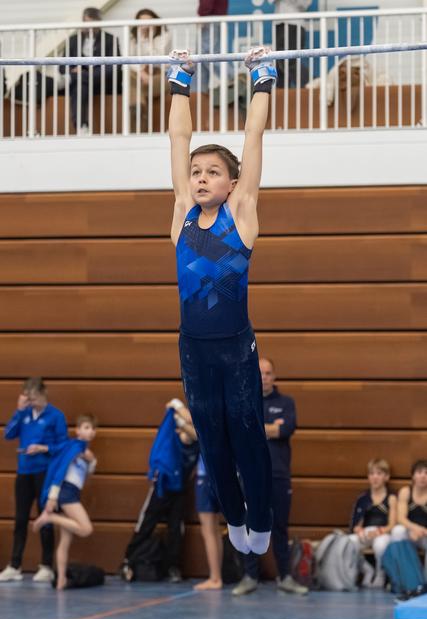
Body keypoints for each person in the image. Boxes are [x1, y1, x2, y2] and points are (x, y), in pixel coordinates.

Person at [168, 46, 277, 556]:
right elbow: (178, 137)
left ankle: (262, 517)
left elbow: (253, 137)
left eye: (212, 172)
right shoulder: (182, 218)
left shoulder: (243, 214)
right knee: (212, 438)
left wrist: (261, 76)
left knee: (248, 435)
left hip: (235, 348)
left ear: (232, 184)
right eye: (196, 173)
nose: (201, 178)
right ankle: (235, 517)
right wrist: (180, 79)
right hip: (194, 348)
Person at [233, 357, 307, 595]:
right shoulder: (244, 402)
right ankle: (250, 576)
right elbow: (240, 432)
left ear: (274, 376)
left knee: (280, 527)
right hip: (250, 475)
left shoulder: (286, 402)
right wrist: (270, 428)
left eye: (268, 373)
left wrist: (257, 429)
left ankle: (285, 576)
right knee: (249, 525)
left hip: (278, 475)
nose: (264, 377)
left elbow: (286, 429)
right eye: (260, 373)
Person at [120, 399, 199, 583]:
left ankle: (173, 566)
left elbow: (196, 434)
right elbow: (173, 404)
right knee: (146, 523)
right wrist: (180, 417)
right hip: (162, 486)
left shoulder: (198, 444)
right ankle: (128, 560)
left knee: (176, 529)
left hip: (179, 489)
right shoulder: (171, 434)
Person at [0, 378, 68, 583]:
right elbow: (8, 434)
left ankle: (46, 565)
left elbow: (63, 446)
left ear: (43, 394)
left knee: (45, 517)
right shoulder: (25, 414)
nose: (32, 402)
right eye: (28, 399)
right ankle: (15, 565)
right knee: (20, 519)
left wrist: (43, 448)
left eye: (35, 398)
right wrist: (19, 411)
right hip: (24, 472)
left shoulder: (56, 416)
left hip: (44, 472)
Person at [32, 414, 97, 590]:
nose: (90, 431)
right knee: (85, 529)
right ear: (77, 430)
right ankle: (50, 518)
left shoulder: (79, 449)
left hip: (72, 493)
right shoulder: (74, 447)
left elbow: (55, 448)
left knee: (65, 540)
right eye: (86, 427)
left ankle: (61, 579)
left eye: (92, 428)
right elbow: (60, 471)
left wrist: (92, 461)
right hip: (66, 493)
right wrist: (53, 497)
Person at [59, 7, 122, 135]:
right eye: (87, 24)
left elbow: (115, 67)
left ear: (99, 23)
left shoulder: (110, 39)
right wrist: (73, 69)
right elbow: (62, 66)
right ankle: (82, 126)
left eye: (93, 24)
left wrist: (82, 74)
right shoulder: (73, 40)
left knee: (80, 80)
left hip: (103, 82)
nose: (90, 28)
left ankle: (75, 78)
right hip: (82, 84)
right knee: (80, 86)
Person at [349, 458, 396, 588]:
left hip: (383, 532)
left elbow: (393, 524)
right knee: (350, 542)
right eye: (372, 474)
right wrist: (358, 530)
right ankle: (367, 570)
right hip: (367, 532)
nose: (375, 477)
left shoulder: (391, 498)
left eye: (379, 474)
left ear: (386, 477)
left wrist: (379, 531)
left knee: (380, 545)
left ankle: (381, 573)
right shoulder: (363, 498)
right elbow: (356, 523)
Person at [129, 9, 171, 132]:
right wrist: (141, 72)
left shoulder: (164, 35)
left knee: (134, 88)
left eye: (148, 21)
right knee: (130, 77)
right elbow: (129, 58)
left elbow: (158, 57)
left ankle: (138, 111)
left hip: (159, 76)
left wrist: (149, 38)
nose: (145, 25)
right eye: (142, 22)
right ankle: (138, 111)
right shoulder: (132, 36)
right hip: (140, 76)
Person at [392, 459, 427, 577]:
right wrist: (414, 528)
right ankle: (403, 576)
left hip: (425, 534)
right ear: (413, 476)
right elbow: (400, 518)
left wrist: (423, 531)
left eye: (426, 473)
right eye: (419, 472)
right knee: (398, 531)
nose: (423, 476)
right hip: (410, 531)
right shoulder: (405, 492)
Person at [194, 454, 223, 590]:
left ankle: (215, 578)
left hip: (206, 474)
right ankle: (217, 575)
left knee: (208, 530)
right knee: (215, 529)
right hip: (221, 473)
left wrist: (183, 430)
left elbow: (191, 436)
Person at [273, 0, 311, 88]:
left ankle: (309, 87)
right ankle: (281, 96)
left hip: (295, 23)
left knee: (290, 61)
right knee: (279, 62)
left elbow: (305, 4)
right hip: (279, 23)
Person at [197, 0, 229, 93]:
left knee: (206, 54)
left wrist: (202, 15)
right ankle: (199, 91)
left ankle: (234, 77)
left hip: (210, 18)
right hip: (216, 17)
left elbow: (206, 3)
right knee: (202, 57)